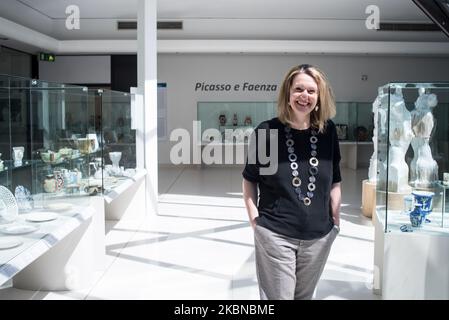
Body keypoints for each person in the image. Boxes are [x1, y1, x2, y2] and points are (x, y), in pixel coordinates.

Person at [242, 64, 342, 300]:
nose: (304, 96)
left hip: (319, 237)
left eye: (311, 91)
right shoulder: (267, 132)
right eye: (298, 89)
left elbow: (335, 180)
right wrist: (255, 221)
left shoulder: (328, 132)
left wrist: (335, 221)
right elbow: (250, 179)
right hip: (276, 235)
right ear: (288, 94)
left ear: (318, 98)